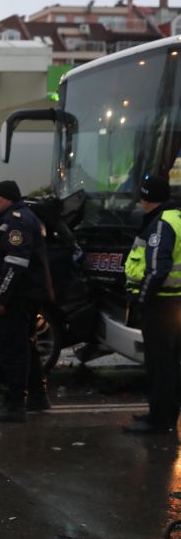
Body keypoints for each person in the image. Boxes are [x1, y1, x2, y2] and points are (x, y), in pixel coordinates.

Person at [0, 180, 52, 422]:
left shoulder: (17, 221)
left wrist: (0, 296)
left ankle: (14, 404)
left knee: (11, 350)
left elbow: (15, 265)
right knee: (25, 347)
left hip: (15, 298)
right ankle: (37, 396)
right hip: (20, 296)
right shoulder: (12, 219)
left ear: (8, 198)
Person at [123, 175, 181, 435]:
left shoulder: (160, 224)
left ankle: (158, 420)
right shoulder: (176, 217)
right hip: (174, 303)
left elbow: (157, 270)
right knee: (170, 364)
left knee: (159, 365)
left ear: (145, 198)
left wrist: (142, 301)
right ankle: (164, 414)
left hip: (161, 306)